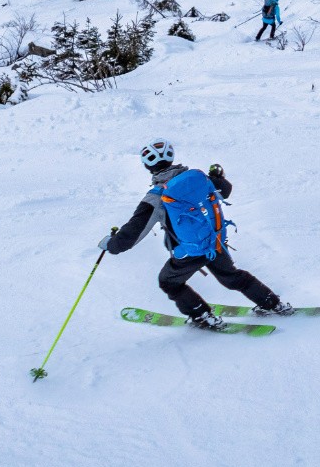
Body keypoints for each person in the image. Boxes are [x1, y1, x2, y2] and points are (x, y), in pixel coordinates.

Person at [99, 139, 291, 331]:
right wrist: (218, 176)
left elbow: (132, 233)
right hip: (213, 242)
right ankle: (272, 303)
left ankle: (202, 316)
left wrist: (111, 244)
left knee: (168, 282)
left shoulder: (156, 196)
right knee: (232, 276)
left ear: (148, 166)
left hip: (188, 252)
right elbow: (225, 190)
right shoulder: (198, 179)